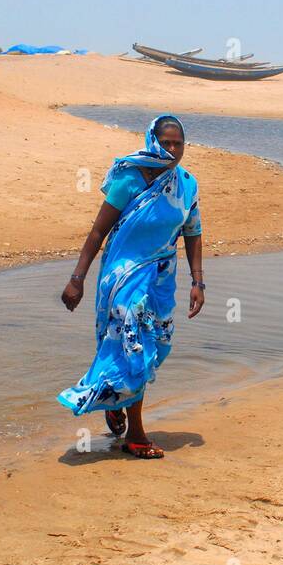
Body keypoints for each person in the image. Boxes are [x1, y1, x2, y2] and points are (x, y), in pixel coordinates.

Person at [57, 114, 205, 459]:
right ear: (153, 140)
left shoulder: (186, 183)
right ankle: (136, 435)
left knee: (155, 345)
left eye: (177, 143)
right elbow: (98, 232)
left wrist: (198, 281)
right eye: (165, 142)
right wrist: (77, 278)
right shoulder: (129, 177)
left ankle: (115, 397)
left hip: (161, 278)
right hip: (123, 276)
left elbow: (193, 233)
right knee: (135, 344)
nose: (171, 149)